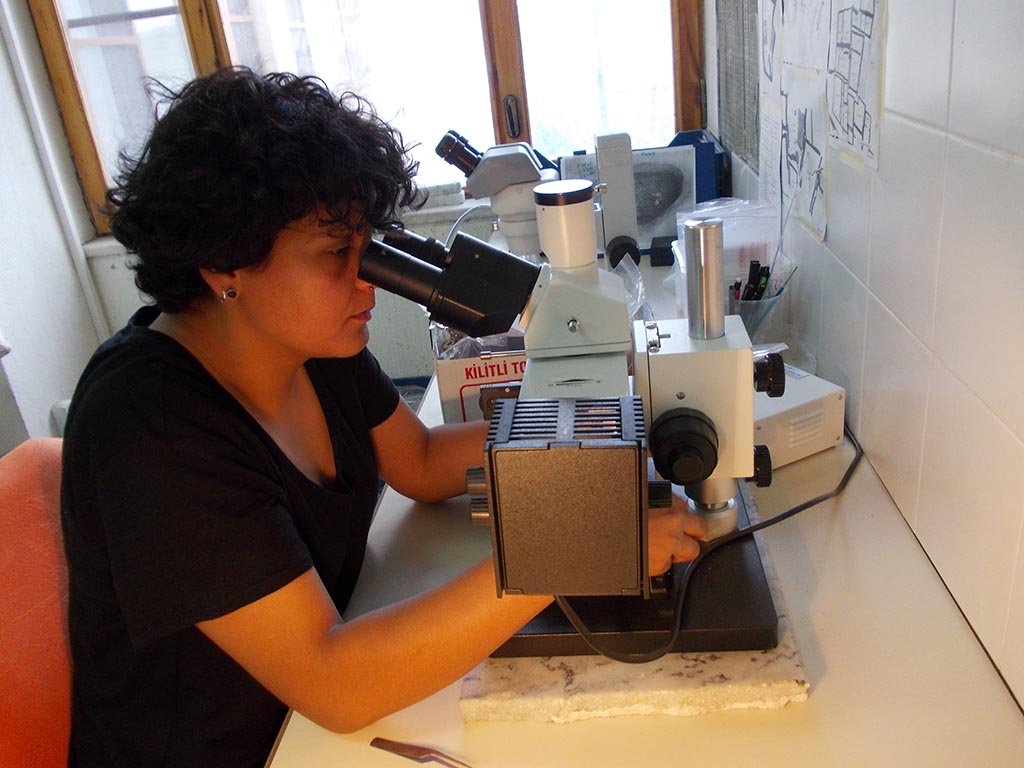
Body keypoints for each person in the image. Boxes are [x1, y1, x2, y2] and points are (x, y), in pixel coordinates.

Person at [60, 67, 707, 767]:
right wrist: (584, 539)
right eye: (337, 253)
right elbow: (334, 684)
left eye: (368, 246)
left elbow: (421, 462)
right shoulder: (149, 432)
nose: (367, 278)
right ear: (226, 264)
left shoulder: (309, 346)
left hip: (314, 721)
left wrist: (600, 425)